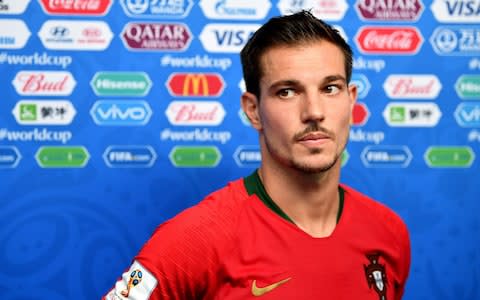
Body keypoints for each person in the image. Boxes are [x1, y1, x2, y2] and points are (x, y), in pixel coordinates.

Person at [104, 10, 411, 300]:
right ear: (253, 110)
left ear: (351, 100)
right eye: (287, 92)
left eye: (330, 88)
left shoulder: (388, 233)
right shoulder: (194, 239)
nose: (315, 112)